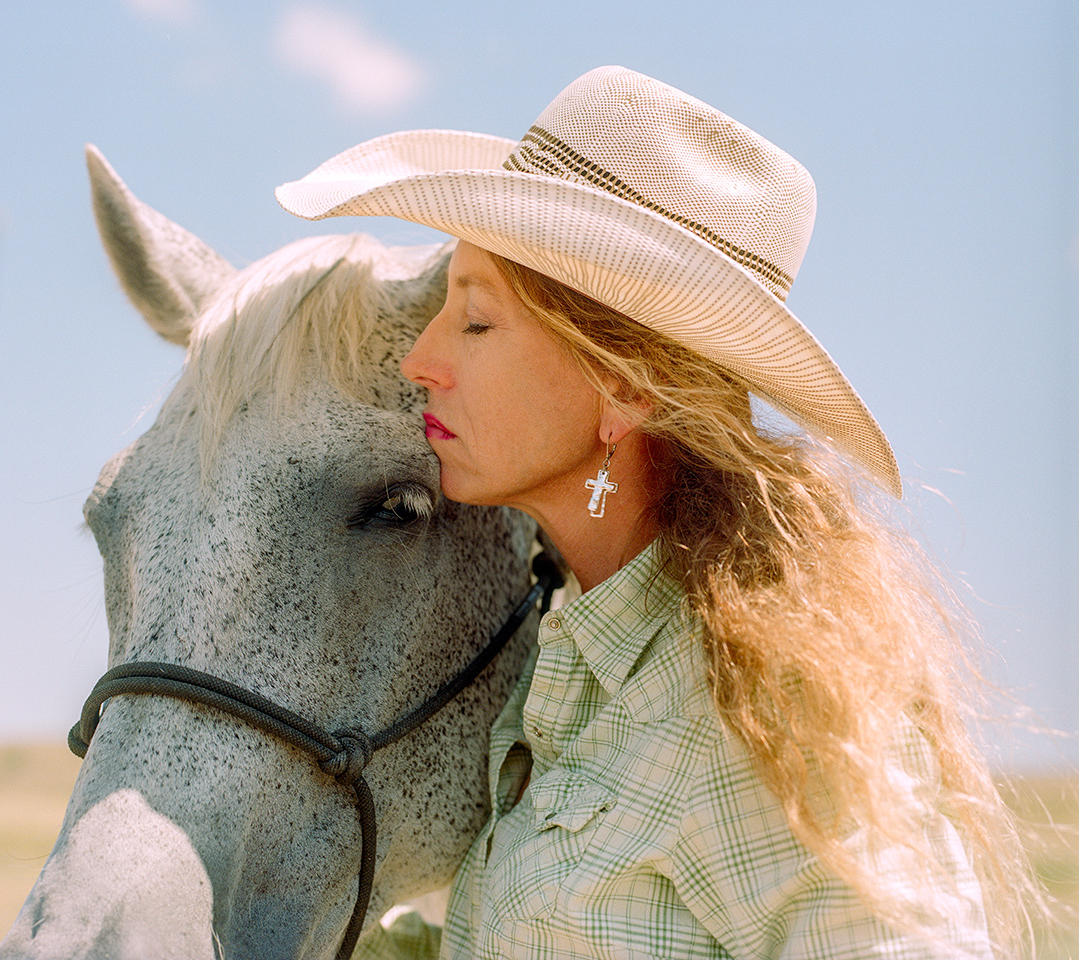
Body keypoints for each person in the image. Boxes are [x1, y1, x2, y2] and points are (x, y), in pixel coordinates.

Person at [275, 66, 1032, 959]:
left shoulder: (766, 707)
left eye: (476, 323)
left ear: (627, 387)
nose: (422, 360)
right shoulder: (579, 658)